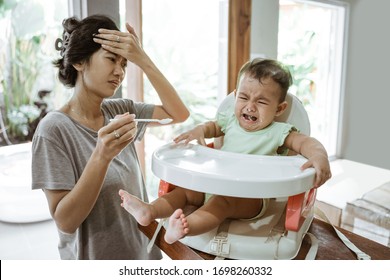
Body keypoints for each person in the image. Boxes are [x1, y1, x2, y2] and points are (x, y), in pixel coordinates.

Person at [119, 58, 332, 244]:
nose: (250, 106)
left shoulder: (278, 132)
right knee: (185, 192)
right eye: (244, 97)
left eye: (261, 101)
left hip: (251, 197)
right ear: (235, 95)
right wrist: (199, 130)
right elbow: (213, 127)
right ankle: (150, 211)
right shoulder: (230, 120)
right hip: (215, 183)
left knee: (222, 203)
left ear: (279, 109)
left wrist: (319, 156)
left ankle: (185, 228)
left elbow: (307, 143)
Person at [31, 14, 189, 260]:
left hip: (141, 255)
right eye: (111, 59)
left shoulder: (118, 110)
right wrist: (102, 155)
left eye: (125, 63)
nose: (120, 71)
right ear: (80, 62)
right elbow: (65, 221)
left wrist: (144, 60)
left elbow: (178, 114)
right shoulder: (53, 130)